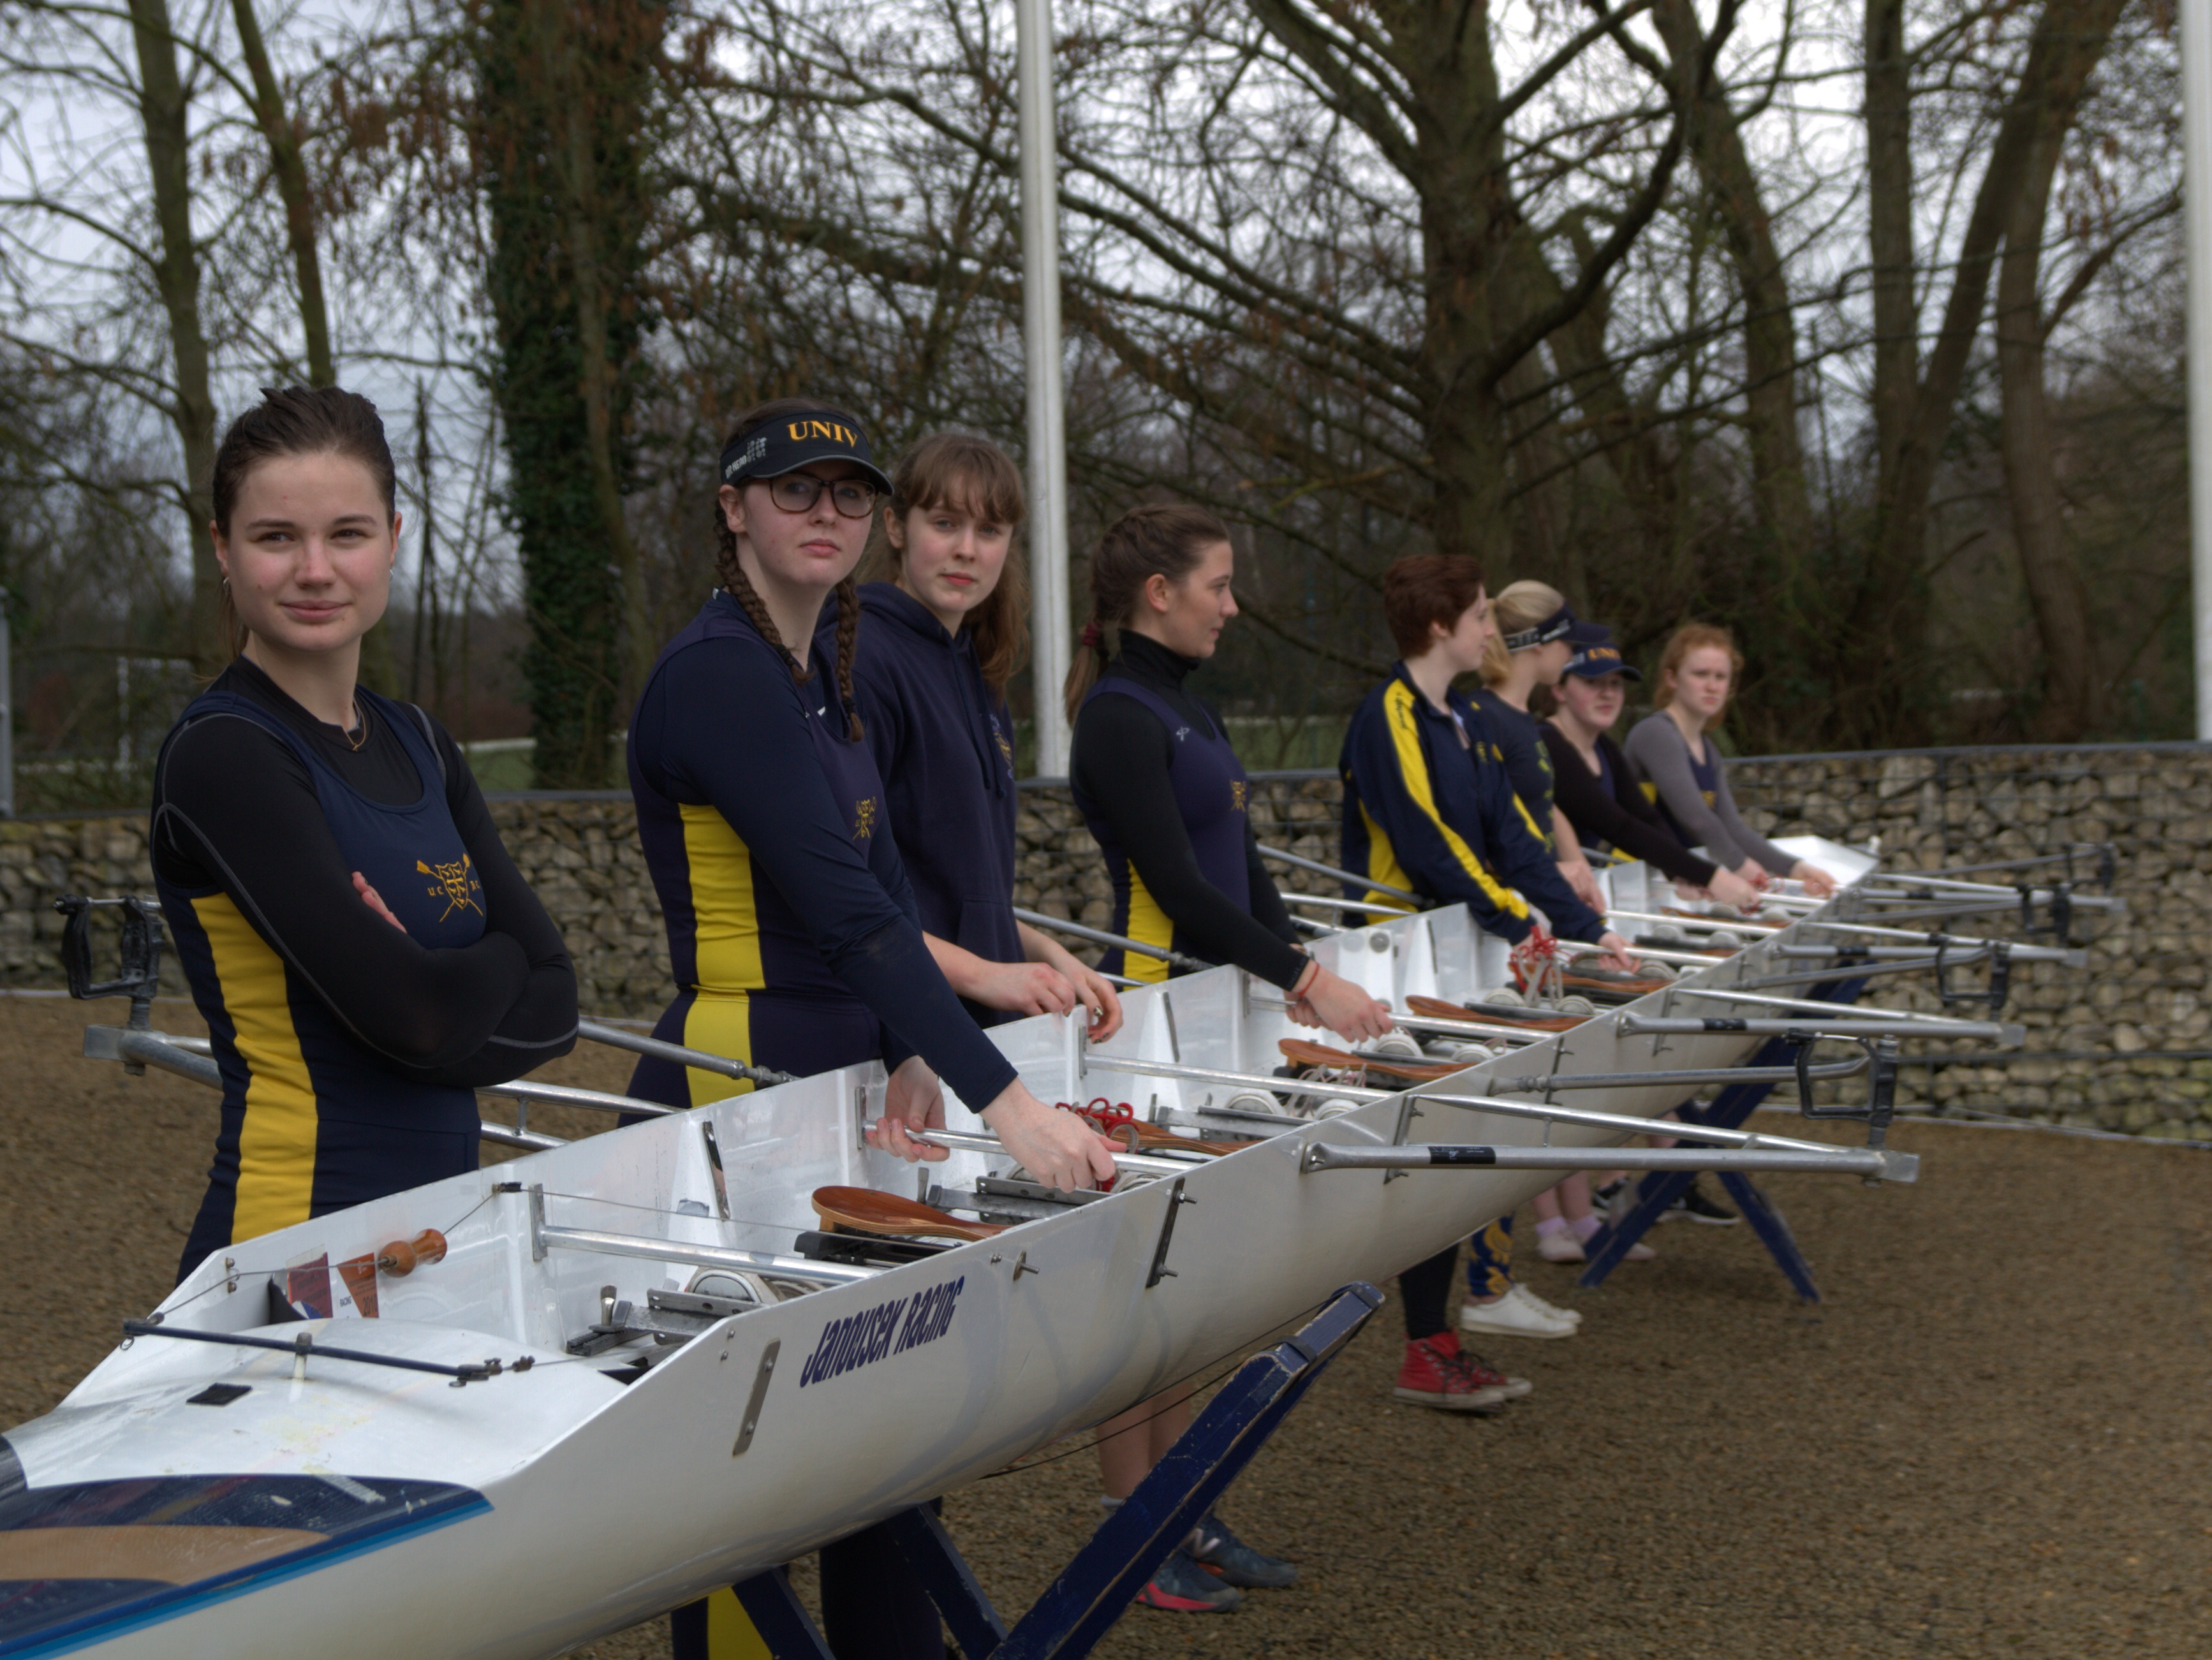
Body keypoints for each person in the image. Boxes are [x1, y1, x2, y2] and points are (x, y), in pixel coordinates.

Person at [626, 399, 1116, 1660]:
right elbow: (848, 915)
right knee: (744, 1463)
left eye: (846, 493)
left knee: (886, 1431)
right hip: (736, 1089)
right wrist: (1009, 1101)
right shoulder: (719, 671)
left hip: (840, 1081)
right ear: (732, 508)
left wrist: (913, 1046)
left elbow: (890, 893)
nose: (826, 515)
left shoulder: (823, 675)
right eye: (794, 492)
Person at [152, 386, 578, 1287]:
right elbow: (420, 1023)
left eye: (346, 534)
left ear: (391, 537)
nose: (315, 568)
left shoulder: (420, 741)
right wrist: (497, 963)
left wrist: (436, 982)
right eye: (276, 537)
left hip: (425, 1246)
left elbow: (560, 1003)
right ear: (223, 549)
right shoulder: (226, 754)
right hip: (293, 1247)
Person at [1066, 502, 1384, 1610]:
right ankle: (1128, 1526)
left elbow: (1243, 877)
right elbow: (1187, 895)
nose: (1233, 604)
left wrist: (1306, 976)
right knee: (1138, 1284)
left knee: (1187, 1286)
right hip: (1149, 1021)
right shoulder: (1116, 714)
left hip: (1208, 1016)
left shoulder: (1183, 709)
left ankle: (1177, 1503)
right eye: (1218, 583)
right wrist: (1306, 982)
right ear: (1159, 591)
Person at [1339, 555, 1639, 1376]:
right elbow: (1428, 842)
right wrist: (1519, 917)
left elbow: (1515, 840)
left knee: (1457, 1151)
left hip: (1459, 955)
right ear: (1441, 627)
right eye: (1478, 615)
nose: (1489, 629)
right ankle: (1424, 1340)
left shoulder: (1462, 717)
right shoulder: (1389, 711)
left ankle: (1435, 1340)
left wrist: (1584, 927)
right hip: (1394, 962)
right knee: (1423, 1161)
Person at [842, 432, 1123, 1041]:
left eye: (990, 531)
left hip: (979, 1028)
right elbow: (844, 892)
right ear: (896, 527)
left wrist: (1050, 955)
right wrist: (985, 975)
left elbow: (966, 896)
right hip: (896, 1036)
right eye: (945, 523)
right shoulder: (862, 659)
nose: (966, 550)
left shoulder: (978, 669)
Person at [1623, 624, 1838, 899]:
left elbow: (1733, 828)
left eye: (1721, 676)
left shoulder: (1709, 751)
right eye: (1701, 674)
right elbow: (1696, 819)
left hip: (1678, 883)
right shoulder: (1656, 733)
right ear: (1672, 678)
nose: (1712, 686)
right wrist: (1739, 865)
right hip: (1633, 880)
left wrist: (1794, 868)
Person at [1468, 580, 1607, 909]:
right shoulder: (1483, 719)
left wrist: (1580, 874)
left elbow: (1541, 803)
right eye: (1568, 641)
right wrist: (1551, 872)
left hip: (1537, 902)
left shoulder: (1520, 715)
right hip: (1503, 914)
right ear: (1538, 643)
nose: (1574, 653)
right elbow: (1468, 840)